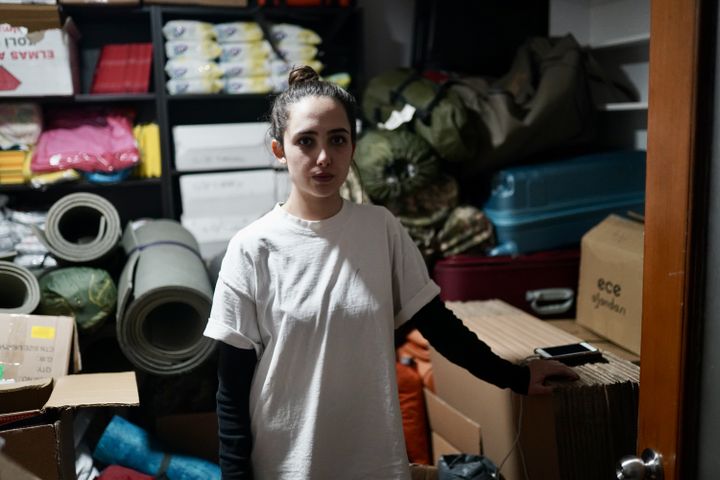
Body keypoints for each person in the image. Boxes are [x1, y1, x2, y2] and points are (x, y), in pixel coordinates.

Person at [203, 65, 579, 480]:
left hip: (375, 462)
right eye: (306, 142)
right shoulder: (253, 248)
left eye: (338, 140)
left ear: (353, 146)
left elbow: (438, 325)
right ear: (279, 150)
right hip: (288, 465)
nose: (324, 156)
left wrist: (518, 377)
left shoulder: (380, 229)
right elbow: (231, 392)